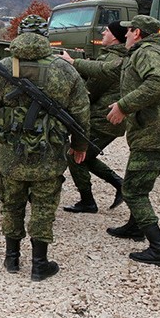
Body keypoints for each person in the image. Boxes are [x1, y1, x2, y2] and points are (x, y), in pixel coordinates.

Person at [0, 14, 90, 281]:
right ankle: (40, 264)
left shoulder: (5, 67)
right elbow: (81, 111)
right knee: (44, 206)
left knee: (11, 204)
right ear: (45, 36)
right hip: (48, 154)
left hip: (11, 153)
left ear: (20, 34)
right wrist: (80, 144)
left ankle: (11, 259)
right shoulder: (64, 69)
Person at [105, 15, 160, 267]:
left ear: (137, 33)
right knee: (137, 182)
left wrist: (123, 105)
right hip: (157, 133)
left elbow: (158, 82)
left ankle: (159, 250)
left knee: (133, 190)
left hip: (157, 135)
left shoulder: (147, 52)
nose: (125, 35)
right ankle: (134, 227)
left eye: (128, 31)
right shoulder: (143, 52)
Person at [59, 21, 128, 213]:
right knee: (86, 156)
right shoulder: (120, 57)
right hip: (108, 119)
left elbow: (90, 92)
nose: (103, 33)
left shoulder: (110, 59)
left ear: (114, 36)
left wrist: (73, 68)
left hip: (102, 119)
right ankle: (118, 185)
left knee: (76, 156)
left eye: (106, 30)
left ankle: (88, 201)